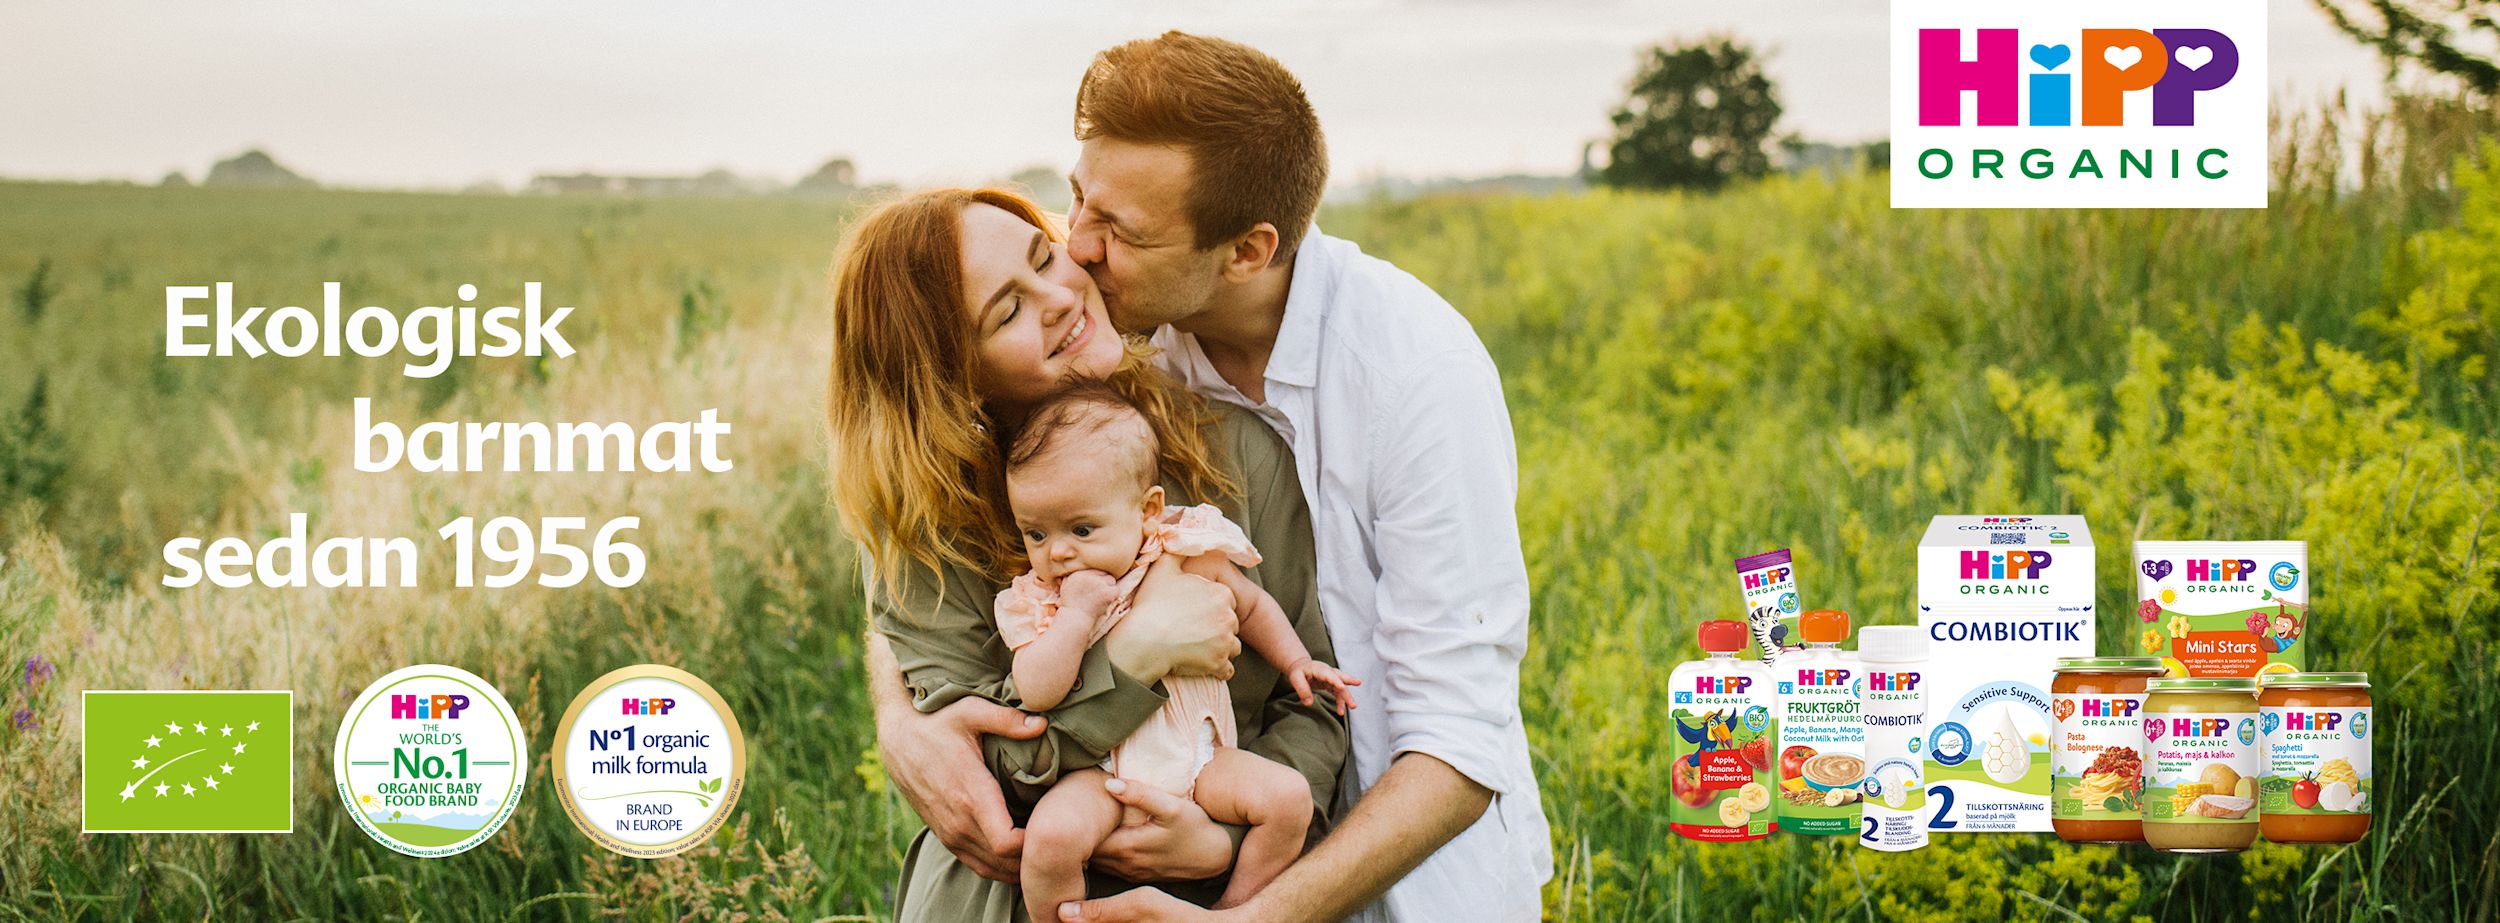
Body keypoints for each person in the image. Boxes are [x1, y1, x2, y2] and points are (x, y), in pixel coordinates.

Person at [884, 31, 1556, 923]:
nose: (1075, 249)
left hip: (1393, 876)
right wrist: (900, 716)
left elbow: (1459, 738)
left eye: (1117, 229)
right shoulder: (1103, 349)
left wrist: (1245, 900)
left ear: (1246, 251)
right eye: (1077, 199)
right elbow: (922, 508)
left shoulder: (1416, 376)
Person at [829, 186, 1349, 922]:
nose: (1059, 296)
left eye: (1046, 256)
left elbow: (1313, 704)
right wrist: (1134, 651)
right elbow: (989, 777)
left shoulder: (1234, 455)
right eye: (1006, 311)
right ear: (950, 380)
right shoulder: (929, 536)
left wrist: (1223, 835)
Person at [994, 382, 1360, 920]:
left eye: (1082, 528)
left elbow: (1253, 607)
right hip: (1101, 776)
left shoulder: (1187, 555)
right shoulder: (1042, 601)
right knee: (1049, 839)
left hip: (1204, 761)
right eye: (1036, 534)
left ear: (1148, 510)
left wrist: (1296, 661)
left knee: (1288, 801)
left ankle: (1236, 908)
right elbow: (1037, 689)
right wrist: (1075, 619)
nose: (1059, 552)